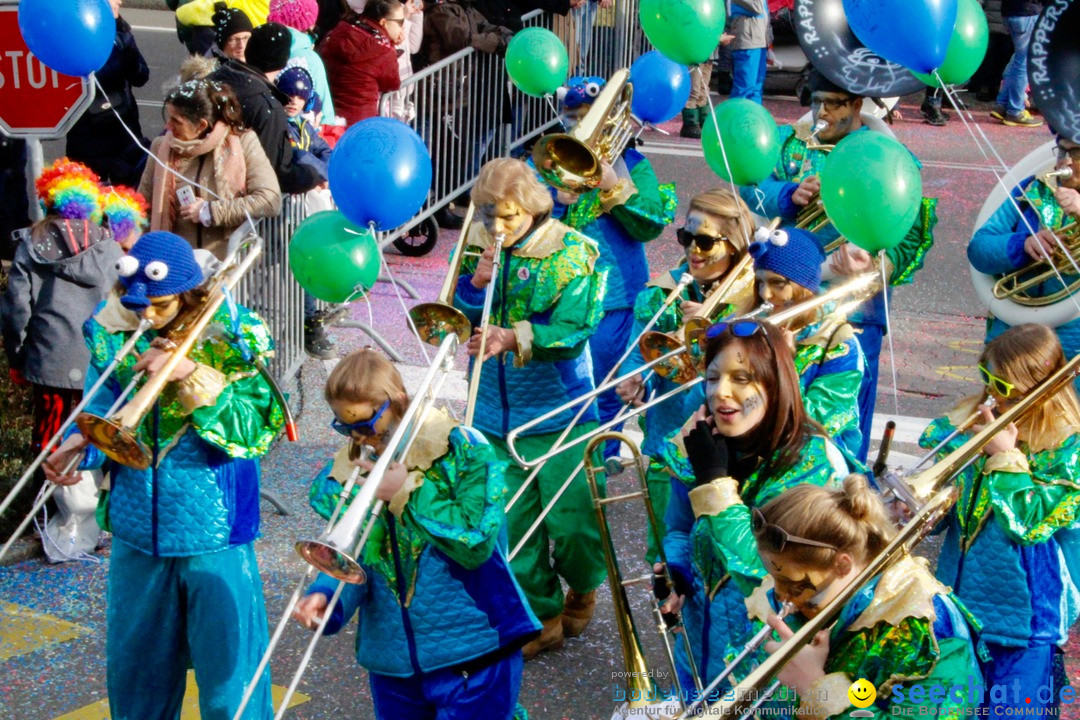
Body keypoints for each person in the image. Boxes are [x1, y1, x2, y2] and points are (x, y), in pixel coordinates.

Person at [43, 230, 283, 719]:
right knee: (136, 680)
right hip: (136, 530)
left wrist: (189, 374)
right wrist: (79, 447)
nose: (145, 316)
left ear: (188, 294)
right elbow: (104, 409)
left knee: (231, 684)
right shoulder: (116, 327)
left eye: (158, 305)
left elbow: (257, 429)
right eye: (137, 306)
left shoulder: (232, 334)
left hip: (214, 531)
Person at [291, 349, 539, 720]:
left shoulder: (464, 448)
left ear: (397, 403)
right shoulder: (351, 467)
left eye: (365, 423)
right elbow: (362, 558)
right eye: (345, 427)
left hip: (474, 648)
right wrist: (328, 597)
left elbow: (477, 542)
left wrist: (404, 495)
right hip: (393, 663)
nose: (358, 438)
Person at [739, 69, 938, 462]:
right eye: (816, 103)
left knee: (845, 416)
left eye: (834, 103)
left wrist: (874, 265)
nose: (822, 113)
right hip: (789, 298)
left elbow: (910, 234)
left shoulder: (887, 155)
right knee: (777, 397)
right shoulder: (789, 144)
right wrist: (787, 194)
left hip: (855, 307)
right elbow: (749, 187)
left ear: (858, 104)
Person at [452, 157, 608, 659]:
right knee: (511, 521)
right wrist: (473, 286)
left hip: (557, 411)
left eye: (509, 217)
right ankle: (542, 614)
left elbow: (574, 330)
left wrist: (514, 335)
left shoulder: (573, 252)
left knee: (575, 520)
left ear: (533, 209)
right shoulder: (477, 242)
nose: (497, 228)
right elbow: (456, 315)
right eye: (490, 215)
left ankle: (584, 585)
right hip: (494, 409)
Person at [657, 320, 849, 693]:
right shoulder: (701, 440)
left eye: (741, 378)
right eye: (713, 378)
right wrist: (676, 571)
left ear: (774, 384)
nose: (722, 393)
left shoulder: (817, 466)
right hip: (695, 654)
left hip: (767, 673)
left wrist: (715, 485)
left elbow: (771, 571)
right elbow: (678, 528)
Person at [919, 324, 1079, 716]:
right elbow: (947, 515)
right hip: (961, 609)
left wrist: (1006, 459)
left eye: (1003, 387)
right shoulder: (970, 421)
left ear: (1039, 389)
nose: (991, 394)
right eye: (987, 378)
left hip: (1025, 625)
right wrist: (919, 510)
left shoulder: (1067, 448)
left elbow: (1027, 524)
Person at [749, 476, 982, 718]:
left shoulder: (933, 636)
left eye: (793, 584)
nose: (779, 593)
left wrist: (818, 690)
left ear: (842, 566)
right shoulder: (817, 592)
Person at [616, 188, 755, 563]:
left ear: (734, 245)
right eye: (687, 237)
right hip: (666, 439)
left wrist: (715, 327)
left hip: (730, 447)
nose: (693, 249)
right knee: (664, 552)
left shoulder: (757, 295)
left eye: (706, 241)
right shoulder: (666, 289)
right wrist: (633, 379)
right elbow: (639, 347)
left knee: (725, 556)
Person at [549, 75, 677, 461]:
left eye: (588, 117)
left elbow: (651, 223)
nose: (578, 126)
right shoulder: (547, 159)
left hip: (615, 295)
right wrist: (556, 201)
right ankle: (563, 458)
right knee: (561, 383)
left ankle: (601, 462)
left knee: (607, 383)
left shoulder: (634, 164)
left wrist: (612, 187)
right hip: (557, 293)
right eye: (572, 117)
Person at [1, 160, 123, 556]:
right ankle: (101, 518)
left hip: (50, 357)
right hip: (97, 359)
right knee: (97, 431)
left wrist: (17, 356)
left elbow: (17, 306)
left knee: (52, 437)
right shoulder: (106, 242)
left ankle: (55, 519)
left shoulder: (32, 243)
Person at [749, 226, 866, 458]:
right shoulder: (750, 324)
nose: (765, 294)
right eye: (760, 283)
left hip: (810, 464)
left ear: (804, 287)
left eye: (777, 283)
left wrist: (786, 363)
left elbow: (820, 424)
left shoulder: (840, 345)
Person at [968, 137, 1080, 370]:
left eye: (1076, 152)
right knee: (1002, 401)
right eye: (1062, 151)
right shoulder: (1033, 189)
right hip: (1014, 330)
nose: (1066, 161)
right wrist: (1024, 244)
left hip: (1072, 338)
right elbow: (979, 249)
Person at [138, 79, 281, 259]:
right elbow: (143, 204)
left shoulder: (243, 142)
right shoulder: (161, 147)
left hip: (226, 268)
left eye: (176, 120)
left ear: (202, 125)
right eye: (168, 117)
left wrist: (211, 211)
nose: (168, 126)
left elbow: (269, 200)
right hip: (176, 267)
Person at [209, 21, 324, 196]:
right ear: (283, 60)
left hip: (198, 187)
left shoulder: (213, 80)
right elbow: (276, 172)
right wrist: (312, 176)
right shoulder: (266, 106)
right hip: (235, 199)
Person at [65, 0, 150, 189]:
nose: (120, 1)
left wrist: (126, 44)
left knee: (131, 203)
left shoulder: (120, 30)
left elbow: (141, 76)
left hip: (125, 135)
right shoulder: (73, 31)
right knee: (88, 205)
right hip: (88, 140)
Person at [318, 0, 404, 126]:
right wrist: (391, 46)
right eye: (400, 22)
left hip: (328, 114)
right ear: (384, 22)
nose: (402, 27)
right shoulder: (384, 51)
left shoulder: (339, 31)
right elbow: (392, 83)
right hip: (360, 121)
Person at [268, 0, 337, 121]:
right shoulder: (310, 59)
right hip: (301, 134)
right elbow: (325, 113)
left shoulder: (259, 47)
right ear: (308, 23)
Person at [991, 0, 1044, 127]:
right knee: (1024, 63)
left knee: (1018, 61)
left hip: (1010, 12)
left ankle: (1002, 104)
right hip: (1028, 12)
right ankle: (1015, 110)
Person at [276, 65, 333, 180]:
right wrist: (323, 175)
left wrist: (324, 174)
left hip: (310, 181)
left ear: (307, 102)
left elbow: (326, 151)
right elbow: (297, 155)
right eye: (289, 96)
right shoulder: (276, 123)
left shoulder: (304, 126)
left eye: (300, 98)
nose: (294, 102)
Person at [727, 0, 768, 105]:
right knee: (745, 86)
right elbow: (757, 7)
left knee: (757, 87)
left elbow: (766, 14)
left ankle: (753, 118)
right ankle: (736, 118)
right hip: (746, 42)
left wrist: (769, 41)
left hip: (760, 41)